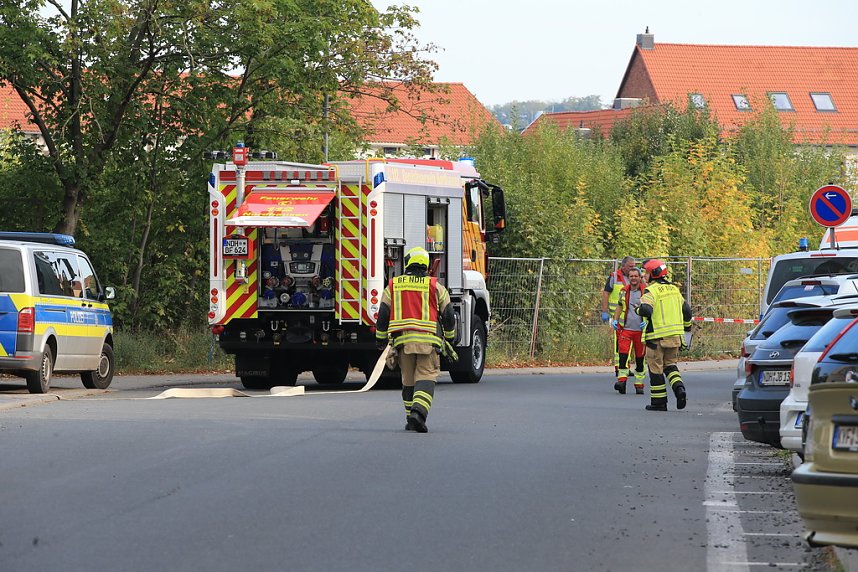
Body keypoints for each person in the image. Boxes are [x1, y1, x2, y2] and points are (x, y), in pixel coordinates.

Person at [375, 247, 456, 433]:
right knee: (426, 376)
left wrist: (380, 340)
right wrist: (450, 339)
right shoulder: (436, 286)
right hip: (428, 342)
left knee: (409, 380)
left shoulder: (394, 285)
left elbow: (383, 316)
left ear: (407, 263)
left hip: (403, 343)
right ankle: (418, 413)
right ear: (427, 266)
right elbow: (449, 315)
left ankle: (410, 417)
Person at [636, 259, 693, 412]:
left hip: (656, 338)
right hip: (674, 337)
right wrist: (687, 329)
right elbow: (687, 311)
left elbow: (646, 310)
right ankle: (679, 389)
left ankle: (659, 403)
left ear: (653, 274)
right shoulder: (674, 289)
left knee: (655, 369)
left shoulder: (651, 291)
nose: (643, 276)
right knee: (671, 366)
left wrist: (638, 310)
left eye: (645, 272)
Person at [611, 267, 647, 395]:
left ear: (639, 277)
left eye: (635, 276)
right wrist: (615, 320)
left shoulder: (646, 292)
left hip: (641, 331)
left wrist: (647, 322)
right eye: (631, 276)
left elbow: (652, 309)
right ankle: (621, 381)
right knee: (623, 357)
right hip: (625, 329)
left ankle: (639, 384)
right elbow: (619, 306)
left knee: (640, 359)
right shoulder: (624, 291)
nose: (633, 278)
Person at [601, 256, 635, 377]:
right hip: (617, 317)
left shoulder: (634, 277)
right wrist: (604, 311)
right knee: (620, 342)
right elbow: (606, 293)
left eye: (634, 266)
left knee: (629, 342)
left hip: (631, 316)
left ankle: (625, 366)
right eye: (631, 266)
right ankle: (619, 367)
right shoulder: (614, 276)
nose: (633, 268)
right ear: (623, 266)